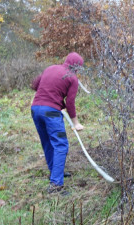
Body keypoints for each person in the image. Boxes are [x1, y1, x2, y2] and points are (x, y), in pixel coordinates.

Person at [31, 52, 84, 195]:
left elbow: (35, 85)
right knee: (61, 145)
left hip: (35, 109)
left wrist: (49, 91)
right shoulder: (72, 78)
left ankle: (55, 172)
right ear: (77, 67)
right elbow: (70, 103)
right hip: (51, 113)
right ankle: (55, 186)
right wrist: (76, 123)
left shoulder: (50, 68)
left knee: (47, 142)